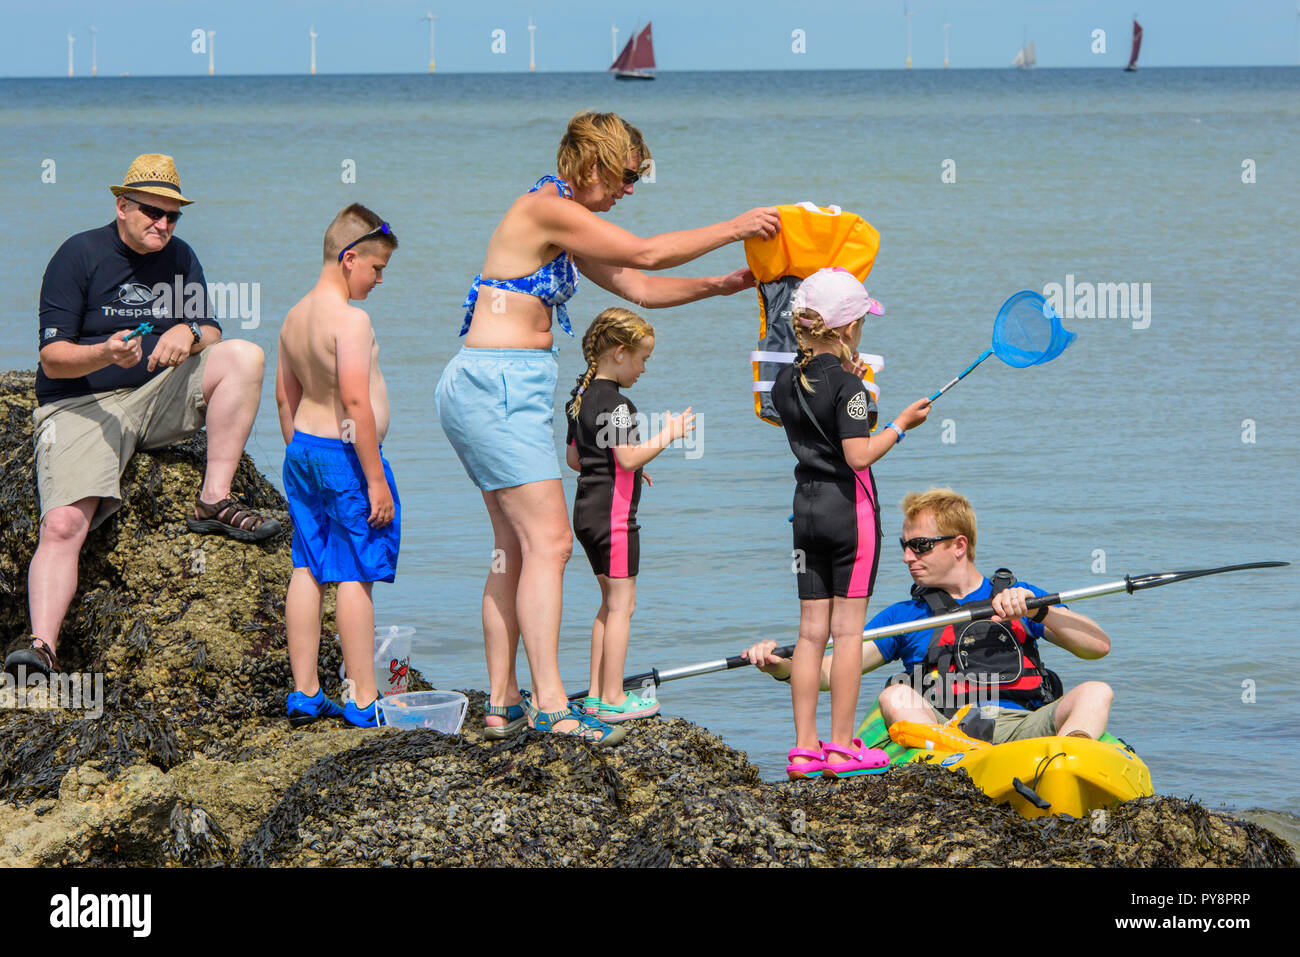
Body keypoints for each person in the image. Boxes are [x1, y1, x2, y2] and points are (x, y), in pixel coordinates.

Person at [435, 110, 779, 744]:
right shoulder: (545, 209)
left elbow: (639, 286)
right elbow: (644, 249)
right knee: (552, 544)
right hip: (499, 385)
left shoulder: (563, 224)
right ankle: (553, 705)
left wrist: (722, 285)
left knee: (512, 547)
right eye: (625, 177)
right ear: (591, 163)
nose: (629, 190)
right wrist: (735, 227)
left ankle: (503, 703)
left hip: (498, 387)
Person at [5, 153, 276, 682]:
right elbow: (52, 357)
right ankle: (42, 647)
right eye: (152, 212)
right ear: (122, 206)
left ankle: (214, 498)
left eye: (173, 216)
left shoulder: (180, 258)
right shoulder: (77, 254)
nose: (163, 225)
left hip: (155, 396)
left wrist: (190, 334)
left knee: (246, 355)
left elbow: (212, 330)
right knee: (63, 523)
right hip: (79, 405)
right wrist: (105, 353)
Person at [743, 488, 1115, 746]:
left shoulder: (1019, 596)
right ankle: (962, 765)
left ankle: (1070, 757)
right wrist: (783, 667)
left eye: (920, 546)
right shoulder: (906, 616)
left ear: (959, 546)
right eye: (905, 546)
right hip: (949, 731)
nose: (907, 557)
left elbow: (1097, 646)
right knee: (895, 697)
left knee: (1097, 691)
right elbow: (831, 673)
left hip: (1024, 725)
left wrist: (1041, 609)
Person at [767, 268, 932, 779]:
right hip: (849, 514)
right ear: (847, 328)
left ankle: (802, 749)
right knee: (847, 633)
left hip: (805, 511)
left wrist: (854, 386)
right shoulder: (850, 387)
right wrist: (900, 426)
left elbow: (822, 415)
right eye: (861, 322)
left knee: (810, 633)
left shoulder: (782, 382)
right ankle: (840, 749)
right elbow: (859, 456)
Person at [275, 204, 401, 729]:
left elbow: (285, 396)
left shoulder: (295, 315)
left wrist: (298, 455)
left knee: (307, 564)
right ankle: (363, 699)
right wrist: (374, 479)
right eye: (376, 269)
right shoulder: (350, 319)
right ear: (350, 259)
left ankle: (306, 692)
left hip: (303, 448)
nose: (377, 280)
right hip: (347, 458)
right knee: (355, 571)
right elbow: (354, 400)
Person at [565, 308, 692, 723]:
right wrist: (668, 434)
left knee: (608, 604)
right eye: (642, 359)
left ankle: (599, 694)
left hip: (585, 512)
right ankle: (615, 698)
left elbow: (575, 459)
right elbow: (626, 455)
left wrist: (631, 468)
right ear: (619, 353)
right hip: (615, 519)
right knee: (623, 605)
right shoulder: (619, 404)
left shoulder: (579, 399)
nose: (643, 368)